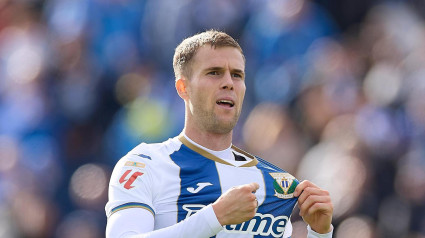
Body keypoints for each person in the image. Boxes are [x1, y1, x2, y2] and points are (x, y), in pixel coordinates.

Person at [105, 30, 333, 238]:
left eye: (237, 75)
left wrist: (320, 233)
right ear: (183, 88)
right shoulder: (145, 165)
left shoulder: (275, 184)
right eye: (214, 73)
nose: (228, 83)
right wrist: (215, 217)